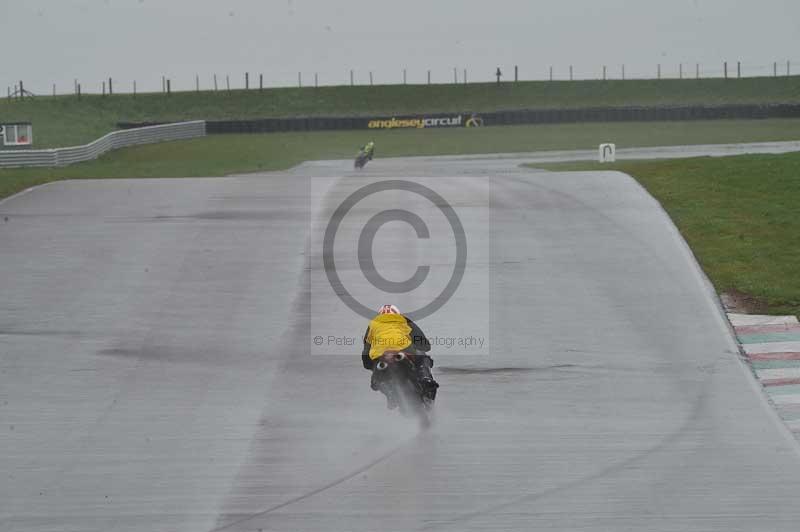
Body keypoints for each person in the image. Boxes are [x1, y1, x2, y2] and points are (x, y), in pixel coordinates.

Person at [362, 304, 437, 408]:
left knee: (376, 379)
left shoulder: (373, 324)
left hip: (381, 354)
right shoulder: (402, 319)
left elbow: (365, 356)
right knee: (423, 357)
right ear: (396, 313)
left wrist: (372, 365)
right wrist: (420, 346)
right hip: (404, 349)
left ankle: (389, 393)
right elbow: (425, 345)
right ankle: (425, 379)